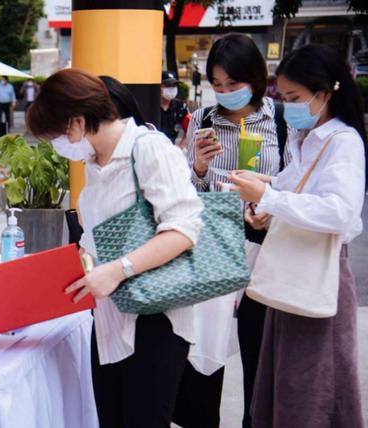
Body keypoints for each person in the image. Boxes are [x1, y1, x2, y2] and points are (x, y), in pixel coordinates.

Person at [26, 68, 203, 428]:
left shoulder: (149, 148)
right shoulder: (95, 162)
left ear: (77, 122)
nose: (57, 146)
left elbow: (184, 229)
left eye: (56, 137)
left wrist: (118, 268)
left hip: (155, 318)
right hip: (109, 319)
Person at [229, 44, 366, 428]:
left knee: (311, 384)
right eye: (283, 97)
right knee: (289, 380)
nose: (287, 106)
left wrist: (269, 197)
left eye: (294, 98)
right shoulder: (308, 139)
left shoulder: (343, 142)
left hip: (318, 275)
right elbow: (294, 192)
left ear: (324, 95)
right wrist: (266, 207)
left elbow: (340, 211)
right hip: (294, 275)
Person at [177, 33, 286, 428]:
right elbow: (187, 195)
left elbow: (295, 186)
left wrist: (270, 205)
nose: (224, 94)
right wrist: (200, 169)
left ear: (255, 79)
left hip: (266, 243)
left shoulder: (282, 120)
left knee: (259, 350)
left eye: (233, 85)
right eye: (217, 85)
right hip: (215, 241)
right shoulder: (204, 120)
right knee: (204, 348)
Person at [160, 70, 189, 146]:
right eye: (168, 85)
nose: (172, 88)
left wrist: (178, 150)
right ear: (159, 87)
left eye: (174, 85)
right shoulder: (152, 106)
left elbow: (190, 128)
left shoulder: (180, 106)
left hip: (171, 149)